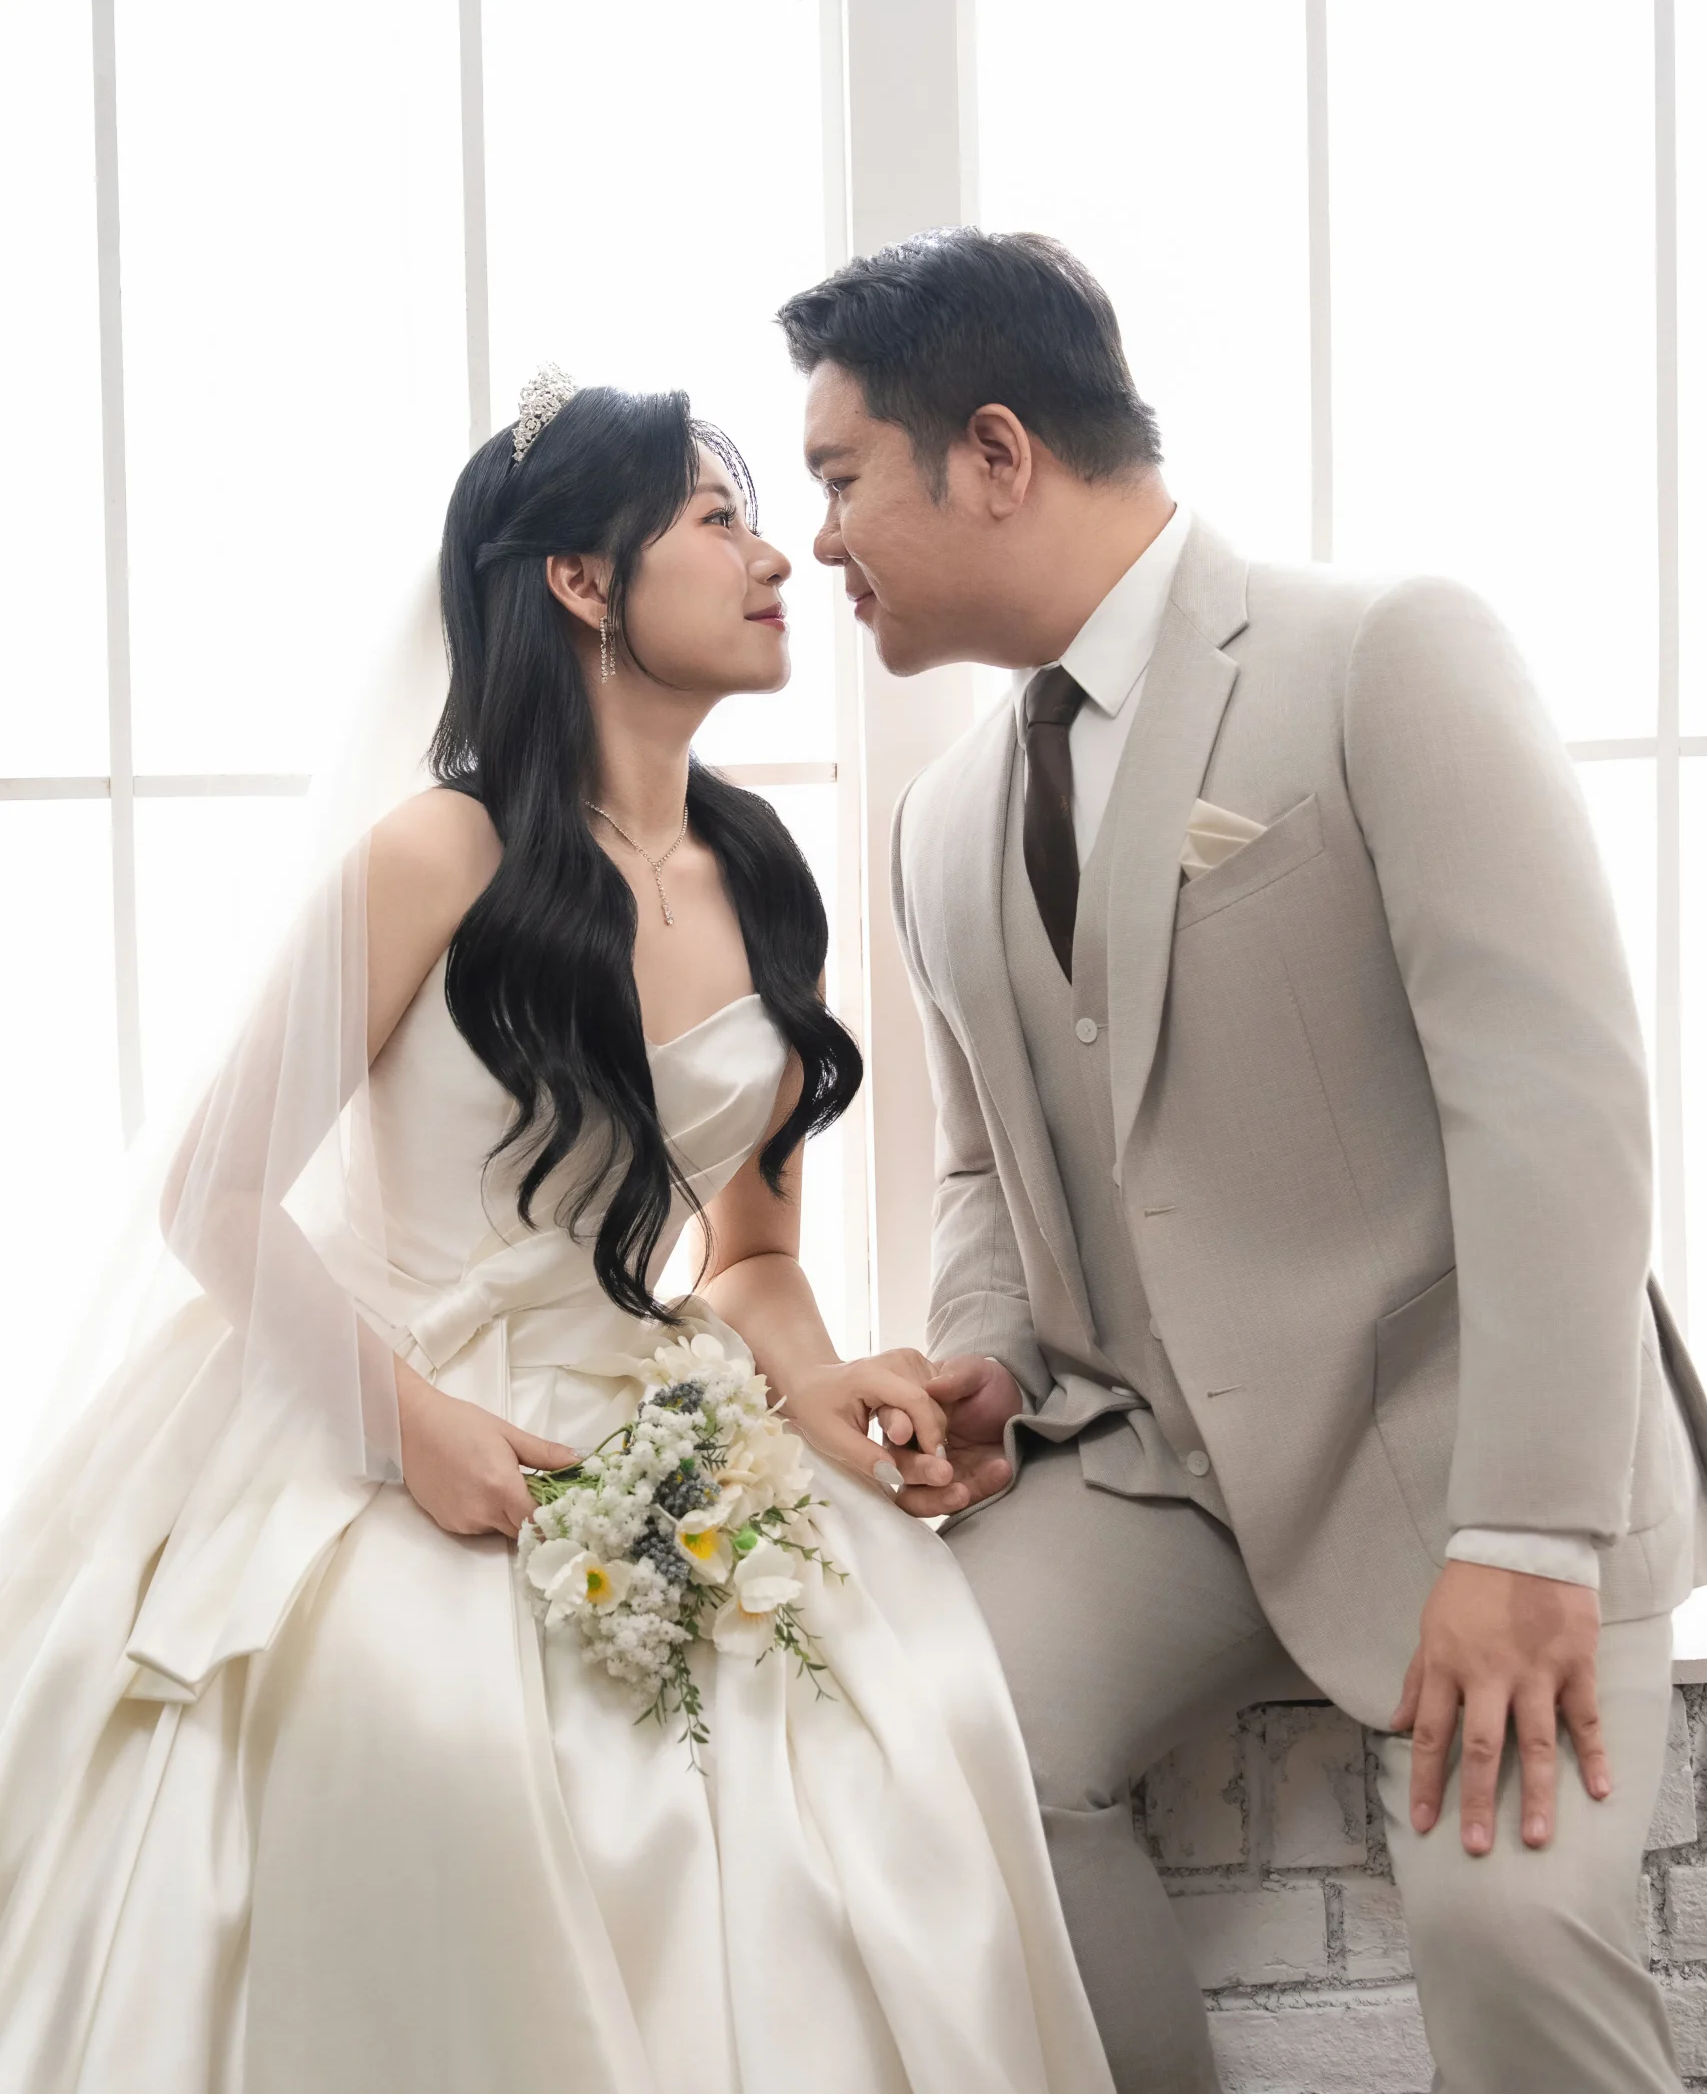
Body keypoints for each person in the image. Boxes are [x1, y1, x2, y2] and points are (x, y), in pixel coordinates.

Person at [0, 373, 1113, 2094]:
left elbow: (749, 1257)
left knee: (890, 1722)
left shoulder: (762, 869)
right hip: (388, 1401)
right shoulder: (439, 853)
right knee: (433, 1737)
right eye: (720, 522)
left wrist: (816, 1387)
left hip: (645, 1409)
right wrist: (408, 1426)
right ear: (582, 582)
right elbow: (210, 1194)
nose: (780, 559)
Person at [781, 227, 1707, 2094]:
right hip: (1156, 1475)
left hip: (1463, 1454)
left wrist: (1527, 1534)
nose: (818, 541)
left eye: (839, 476)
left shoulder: (1382, 651)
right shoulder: (938, 824)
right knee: (930, 1743)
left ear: (993, 451)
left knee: (1506, 1937)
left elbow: (1556, 1103)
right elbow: (981, 1175)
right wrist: (988, 1363)